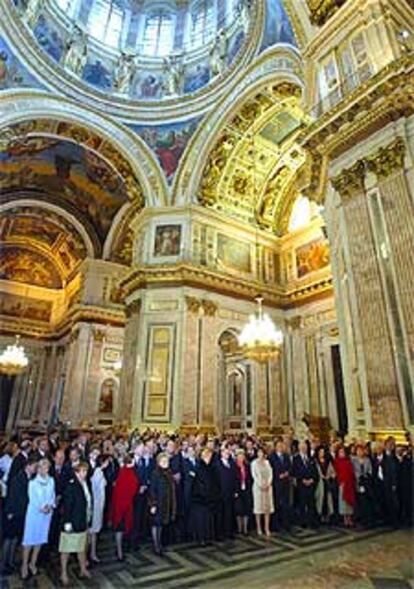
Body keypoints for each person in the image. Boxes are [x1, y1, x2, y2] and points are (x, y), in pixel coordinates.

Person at [1, 457, 38, 575]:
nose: (35, 469)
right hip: (14, 512)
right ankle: (3, 564)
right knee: (9, 538)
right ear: (28, 466)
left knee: (15, 538)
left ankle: (10, 561)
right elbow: (13, 497)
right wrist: (10, 513)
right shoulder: (18, 478)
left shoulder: (29, 477)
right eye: (34, 466)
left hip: (21, 513)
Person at [21, 458, 55, 579]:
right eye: (42, 467)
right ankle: (24, 565)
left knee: (40, 539)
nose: (45, 469)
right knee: (29, 540)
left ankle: (33, 563)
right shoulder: (33, 483)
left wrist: (50, 505)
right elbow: (33, 499)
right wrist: (42, 507)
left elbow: (52, 495)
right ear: (38, 468)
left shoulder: (51, 480)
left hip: (46, 514)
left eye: (47, 467)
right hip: (34, 514)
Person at [59, 462, 91, 586]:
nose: (84, 473)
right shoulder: (71, 485)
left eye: (86, 471)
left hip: (82, 520)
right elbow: (67, 506)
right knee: (66, 549)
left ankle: (83, 569)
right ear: (76, 472)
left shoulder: (84, 484)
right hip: (71, 522)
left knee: (81, 547)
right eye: (82, 471)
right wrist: (67, 522)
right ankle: (63, 573)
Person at [112, 454, 140, 561]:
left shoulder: (121, 471)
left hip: (119, 504)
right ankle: (120, 551)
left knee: (119, 527)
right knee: (122, 527)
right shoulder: (130, 473)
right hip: (127, 504)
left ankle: (119, 550)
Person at [191, 448, 220, 546]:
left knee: (208, 519)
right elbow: (198, 483)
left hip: (209, 498)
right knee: (201, 520)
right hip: (200, 498)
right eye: (207, 455)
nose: (209, 457)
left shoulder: (211, 467)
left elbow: (214, 482)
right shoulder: (199, 467)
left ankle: (208, 537)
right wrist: (205, 494)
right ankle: (201, 539)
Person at [149, 452, 176, 555]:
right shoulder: (155, 473)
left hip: (166, 502)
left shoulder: (168, 472)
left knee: (161, 525)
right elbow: (152, 490)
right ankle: (156, 546)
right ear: (159, 462)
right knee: (156, 524)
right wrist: (153, 504)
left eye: (167, 461)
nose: (166, 462)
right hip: (158, 502)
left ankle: (160, 544)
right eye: (164, 461)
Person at [291, 441, 319, 528]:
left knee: (311, 503)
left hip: (311, 484)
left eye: (305, 446)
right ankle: (303, 521)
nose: (303, 448)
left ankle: (311, 521)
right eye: (301, 446)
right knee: (302, 504)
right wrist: (302, 480)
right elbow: (294, 471)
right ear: (299, 448)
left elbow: (315, 471)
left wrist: (312, 480)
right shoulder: (296, 459)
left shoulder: (311, 459)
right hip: (301, 484)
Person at [89, 454, 109, 562]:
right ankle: (91, 553)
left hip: (99, 503)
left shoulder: (99, 472)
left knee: (94, 530)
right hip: (96, 504)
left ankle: (92, 553)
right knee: (93, 530)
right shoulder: (97, 472)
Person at [216, 445, 238, 539]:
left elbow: (235, 478)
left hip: (230, 492)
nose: (227, 454)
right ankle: (220, 533)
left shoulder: (232, 464)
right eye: (225, 452)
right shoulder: (217, 464)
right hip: (221, 493)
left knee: (230, 513)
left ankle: (229, 532)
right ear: (221, 453)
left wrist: (235, 490)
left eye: (228, 453)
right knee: (221, 514)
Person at [269, 440, 291, 531]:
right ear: (275, 446)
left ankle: (285, 523)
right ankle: (276, 525)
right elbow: (270, 470)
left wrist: (287, 473)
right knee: (277, 504)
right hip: (276, 484)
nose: (280, 447)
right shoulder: (271, 457)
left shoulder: (286, 456)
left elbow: (290, 467)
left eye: (281, 445)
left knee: (286, 504)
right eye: (278, 445)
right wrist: (278, 476)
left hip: (286, 483)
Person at [251, 447, 273, 537]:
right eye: (259, 452)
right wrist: (260, 484)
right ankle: (259, 528)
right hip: (258, 487)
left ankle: (267, 528)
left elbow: (271, 474)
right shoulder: (254, 463)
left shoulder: (267, 462)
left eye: (262, 452)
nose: (260, 454)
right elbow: (254, 475)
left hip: (267, 487)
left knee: (267, 509)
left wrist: (268, 483)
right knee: (258, 509)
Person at [352, 444, 374, 527]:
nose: (360, 452)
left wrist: (365, 477)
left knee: (366, 501)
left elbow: (370, 470)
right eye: (358, 451)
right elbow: (352, 470)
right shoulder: (353, 460)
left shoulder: (367, 460)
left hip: (365, 483)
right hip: (357, 483)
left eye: (361, 450)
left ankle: (367, 519)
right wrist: (358, 477)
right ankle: (359, 519)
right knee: (359, 502)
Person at [333, 446, 356, 527]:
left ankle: (350, 518)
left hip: (349, 484)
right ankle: (345, 518)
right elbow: (335, 473)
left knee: (349, 502)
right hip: (342, 484)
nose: (342, 453)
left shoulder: (348, 461)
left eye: (343, 452)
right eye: (340, 452)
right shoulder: (336, 461)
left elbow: (352, 472)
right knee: (343, 502)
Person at [314, 447, 336, 524]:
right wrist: (321, 476)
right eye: (320, 452)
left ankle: (327, 516)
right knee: (320, 499)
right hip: (319, 483)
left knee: (327, 499)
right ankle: (320, 516)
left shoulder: (328, 462)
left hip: (327, 483)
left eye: (323, 452)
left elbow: (333, 472)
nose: (322, 454)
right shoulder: (315, 461)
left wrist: (329, 476)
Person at [234, 449, 252, 535]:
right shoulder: (234, 466)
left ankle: (245, 529)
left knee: (246, 509)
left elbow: (250, 479)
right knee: (238, 510)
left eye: (242, 456)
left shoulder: (247, 466)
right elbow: (232, 480)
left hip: (246, 490)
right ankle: (239, 528)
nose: (241, 458)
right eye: (239, 456)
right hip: (238, 491)